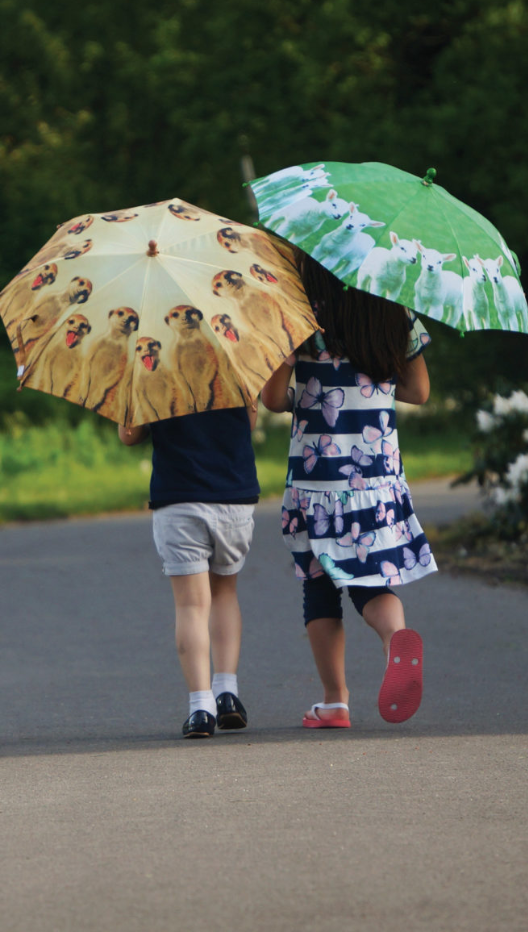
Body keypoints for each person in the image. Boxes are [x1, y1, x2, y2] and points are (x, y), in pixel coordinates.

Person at [261, 255, 435, 729]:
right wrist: (372, 381)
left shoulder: (298, 314)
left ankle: (335, 700)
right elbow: (419, 390)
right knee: (371, 579)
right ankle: (395, 635)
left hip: (316, 482)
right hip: (377, 478)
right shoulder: (393, 312)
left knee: (319, 585)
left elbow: (273, 399)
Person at [119, 404, 260, 737]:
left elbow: (130, 435)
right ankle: (227, 693)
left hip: (178, 497)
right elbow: (249, 422)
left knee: (191, 606)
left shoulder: (152, 361)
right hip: (233, 494)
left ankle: (200, 708)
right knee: (224, 593)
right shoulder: (238, 356)